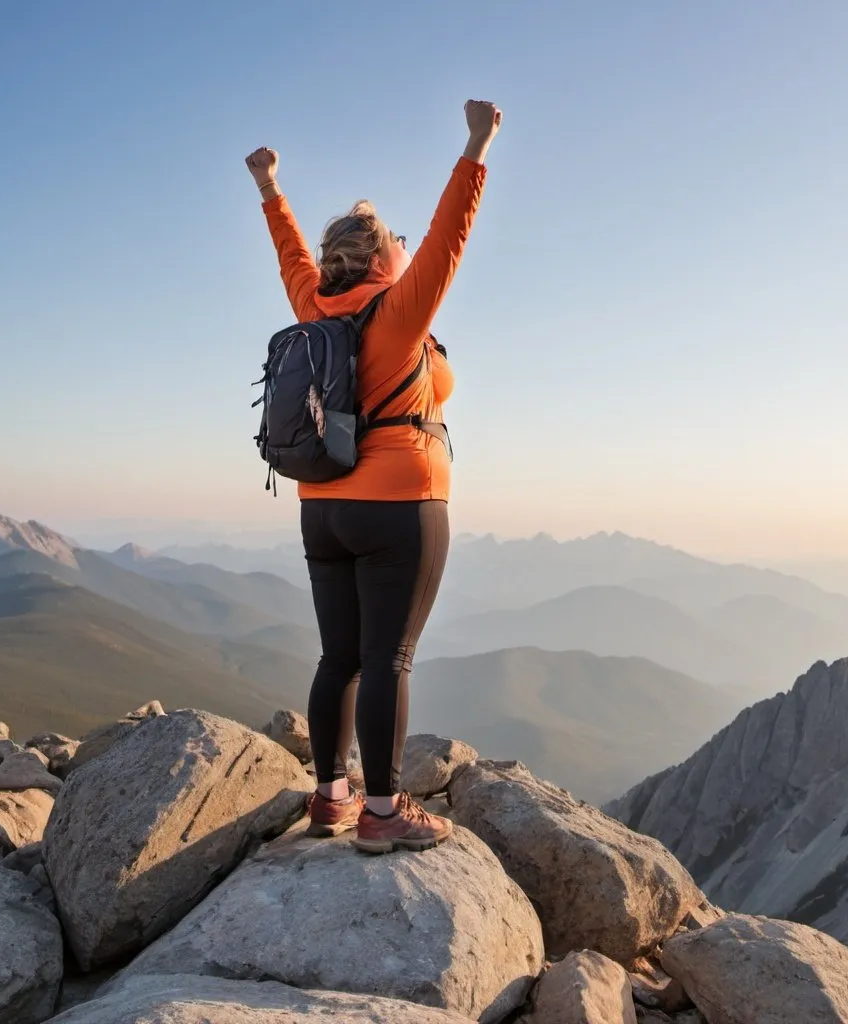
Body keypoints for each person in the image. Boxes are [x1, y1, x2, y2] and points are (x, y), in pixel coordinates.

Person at [245, 99, 501, 854]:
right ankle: (383, 812)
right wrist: (477, 145)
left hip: (320, 506)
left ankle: (330, 798)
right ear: (383, 259)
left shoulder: (315, 307)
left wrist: (270, 190)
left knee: (340, 657)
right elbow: (451, 234)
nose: (403, 244)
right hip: (399, 502)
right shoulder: (399, 311)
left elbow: (292, 257)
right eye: (394, 239)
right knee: (389, 658)